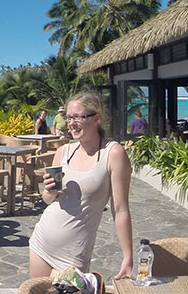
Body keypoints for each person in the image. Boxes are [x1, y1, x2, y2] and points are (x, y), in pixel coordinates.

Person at [29, 90, 133, 280]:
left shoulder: (113, 153)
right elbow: (49, 200)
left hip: (73, 254)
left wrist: (128, 256)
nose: (71, 124)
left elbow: (120, 209)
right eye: (69, 118)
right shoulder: (63, 151)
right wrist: (49, 190)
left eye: (78, 117)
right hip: (41, 243)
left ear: (96, 118)